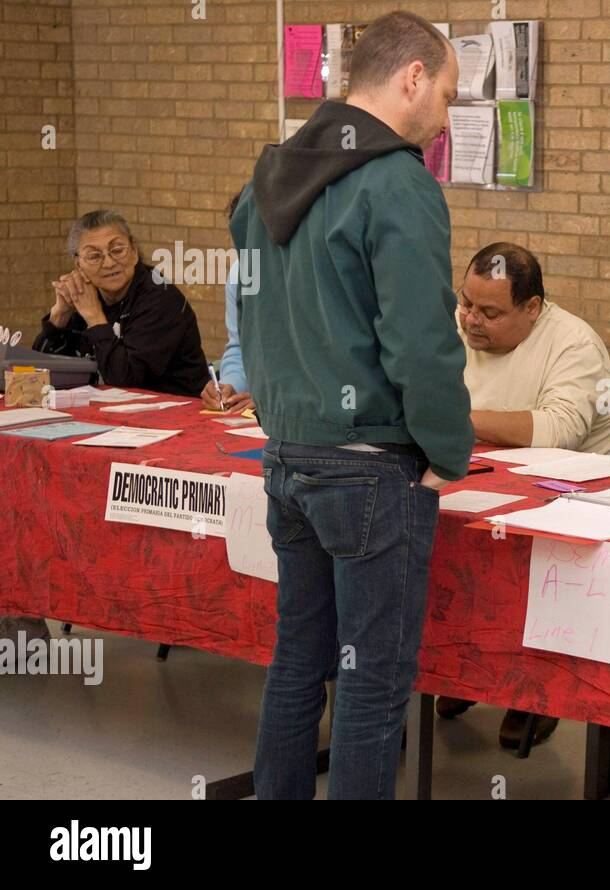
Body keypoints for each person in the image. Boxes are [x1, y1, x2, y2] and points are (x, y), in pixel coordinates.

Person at [229, 11, 471, 799]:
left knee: (298, 664)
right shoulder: (399, 182)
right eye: (446, 94)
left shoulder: (263, 180)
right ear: (411, 78)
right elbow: (421, 345)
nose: (444, 117)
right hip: (373, 469)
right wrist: (447, 451)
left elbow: (255, 319)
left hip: (289, 456)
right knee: (371, 690)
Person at [435, 242, 610, 748]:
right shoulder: (452, 325)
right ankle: (453, 666)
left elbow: (558, 429)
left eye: (490, 312)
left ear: (533, 308)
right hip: (480, 480)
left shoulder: (573, 344)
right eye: (466, 303)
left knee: (521, 562)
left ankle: (530, 689)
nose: (471, 320)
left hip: (575, 497)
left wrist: (454, 420)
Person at [34, 210, 208, 396]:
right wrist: (60, 315)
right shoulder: (86, 294)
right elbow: (38, 376)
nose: (108, 263)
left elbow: (126, 381)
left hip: (175, 413)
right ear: (79, 265)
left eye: (117, 250)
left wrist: (95, 318)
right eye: (94, 256)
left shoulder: (160, 299)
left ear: (133, 252)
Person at [201, 194, 254, 414]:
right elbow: (241, 347)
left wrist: (280, 399)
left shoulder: (318, 278)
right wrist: (229, 385)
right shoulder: (240, 275)